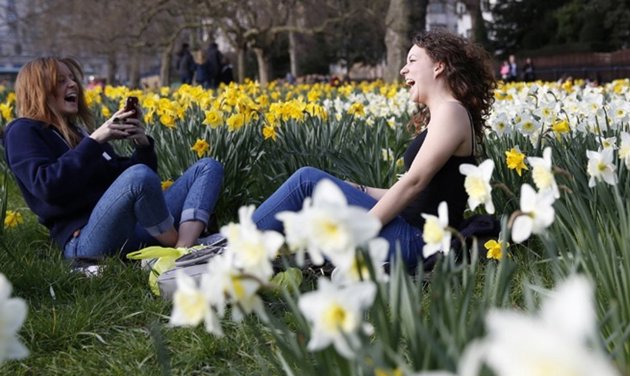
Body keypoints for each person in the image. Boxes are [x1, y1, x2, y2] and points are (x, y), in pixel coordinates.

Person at [251, 30, 496, 269]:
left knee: (306, 180)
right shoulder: (445, 115)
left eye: (412, 60)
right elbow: (424, 195)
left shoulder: (451, 112)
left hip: (417, 241)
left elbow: (414, 183)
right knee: (319, 188)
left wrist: (362, 231)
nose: (403, 69)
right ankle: (248, 247)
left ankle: (235, 246)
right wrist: (360, 189)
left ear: (439, 66)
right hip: (412, 233)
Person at [3, 56, 224, 259]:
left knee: (207, 167)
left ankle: (182, 252)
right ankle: (185, 244)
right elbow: (47, 186)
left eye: (72, 79)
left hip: (131, 226)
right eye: (61, 81)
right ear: (38, 89)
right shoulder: (23, 131)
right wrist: (95, 140)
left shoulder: (78, 133)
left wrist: (142, 144)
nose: (72, 85)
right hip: (86, 239)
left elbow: (130, 178)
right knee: (139, 176)